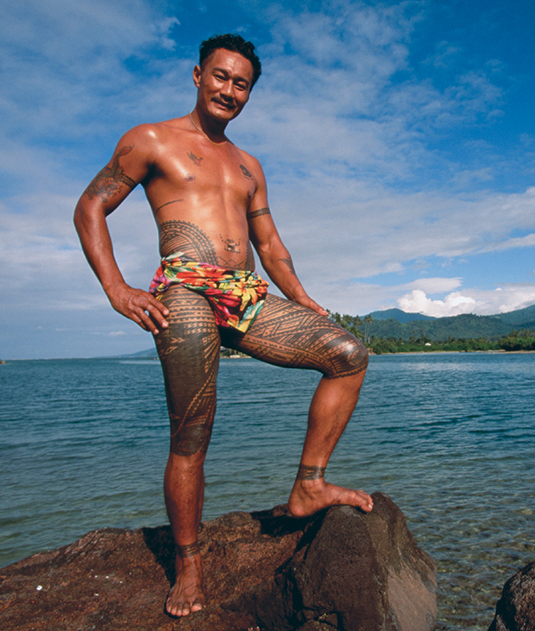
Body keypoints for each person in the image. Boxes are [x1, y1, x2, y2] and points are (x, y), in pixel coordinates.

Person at [73, 33, 372, 618]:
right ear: (197, 75)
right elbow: (91, 207)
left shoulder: (247, 163)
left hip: (246, 293)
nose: (229, 90)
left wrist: (304, 298)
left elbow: (269, 242)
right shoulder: (150, 139)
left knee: (348, 354)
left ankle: (309, 486)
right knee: (192, 434)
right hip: (185, 290)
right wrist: (117, 288)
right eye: (220, 76)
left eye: (242, 84)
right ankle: (188, 565)